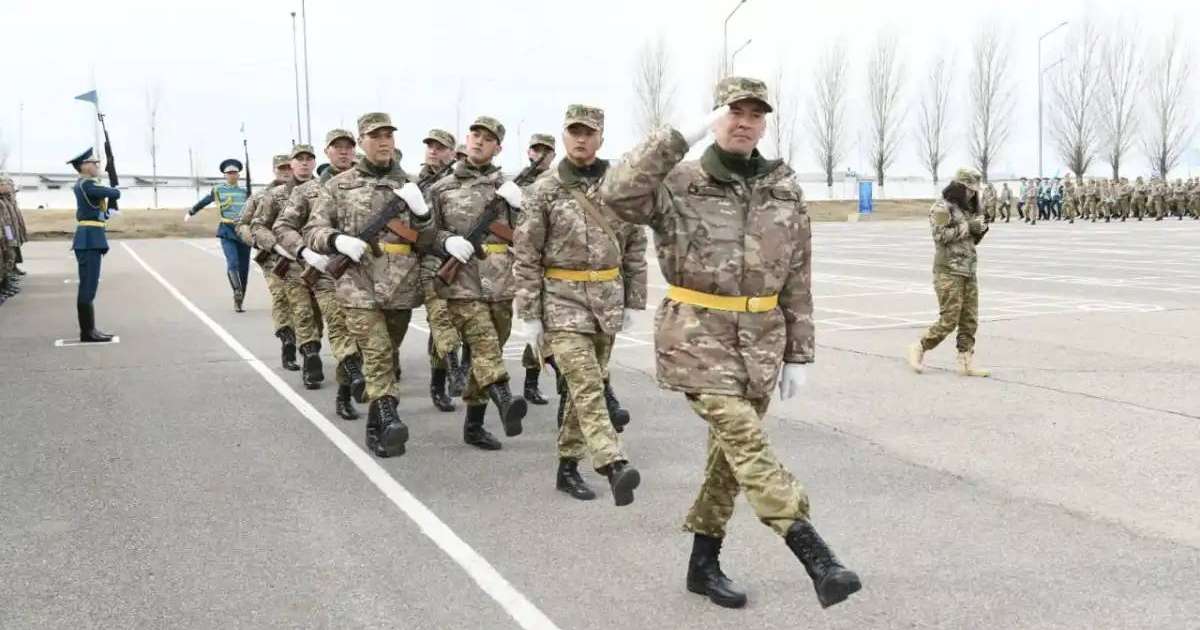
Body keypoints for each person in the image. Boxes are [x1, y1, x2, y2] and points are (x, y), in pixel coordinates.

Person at [601, 76, 861, 610]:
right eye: (733, 112)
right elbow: (617, 194)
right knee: (747, 443)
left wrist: (799, 352)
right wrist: (679, 136)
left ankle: (703, 564)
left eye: (755, 114)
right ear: (716, 118)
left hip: (762, 345)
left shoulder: (783, 187)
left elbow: (798, 275)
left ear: (764, 123)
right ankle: (812, 550)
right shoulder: (678, 180)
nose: (745, 122)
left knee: (728, 462)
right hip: (696, 338)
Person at [514, 104, 648, 505]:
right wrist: (530, 314)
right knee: (589, 384)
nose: (580, 138)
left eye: (588, 132)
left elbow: (635, 247)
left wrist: (634, 302)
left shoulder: (620, 185)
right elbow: (526, 254)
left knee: (578, 392)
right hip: (562, 302)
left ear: (601, 138)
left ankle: (566, 468)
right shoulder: (544, 190)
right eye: (573, 131)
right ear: (563, 136)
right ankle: (612, 462)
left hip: (606, 302)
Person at [304, 112, 440, 458]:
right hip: (357, 283)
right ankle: (390, 420)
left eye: (388, 136)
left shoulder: (410, 185)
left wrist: (422, 213)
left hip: (401, 285)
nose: (383, 142)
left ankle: (373, 427)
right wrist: (336, 241)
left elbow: (426, 241)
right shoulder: (337, 185)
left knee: (387, 357)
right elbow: (313, 230)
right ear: (362, 141)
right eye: (375, 136)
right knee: (378, 353)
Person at [428, 116, 530, 450]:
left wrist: (520, 207)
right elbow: (425, 233)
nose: (479, 141)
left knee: (488, 352)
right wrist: (445, 242)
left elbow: (529, 236)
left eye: (488, 138)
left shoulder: (510, 188)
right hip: (461, 282)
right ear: (466, 139)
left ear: (498, 147)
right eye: (475, 135)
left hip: (500, 281)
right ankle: (503, 395)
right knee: (484, 343)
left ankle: (473, 425)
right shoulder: (442, 188)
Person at [273, 129, 368, 421]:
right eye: (337, 147)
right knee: (339, 327)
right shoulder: (307, 191)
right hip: (326, 272)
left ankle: (343, 394)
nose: (344, 152)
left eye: (349, 147)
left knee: (363, 336)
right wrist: (305, 252)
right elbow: (282, 227)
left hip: (365, 276)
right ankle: (351, 375)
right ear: (326, 153)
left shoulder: (369, 186)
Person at [252, 145, 326, 389]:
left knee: (317, 314)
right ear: (291, 164)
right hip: (290, 263)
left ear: (315, 162)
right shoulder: (275, 195)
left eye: (309, 159)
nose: (304, 164)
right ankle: (310, 359)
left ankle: (311, 346)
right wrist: (276, 246)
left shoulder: (326, 190)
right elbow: (257, 226)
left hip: (321, 264)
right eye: (299, 160)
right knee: (301, 311)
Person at [907, 168, 991, 378]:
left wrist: (980, 230)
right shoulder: (942, 207)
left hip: (968, 270)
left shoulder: (968, 209)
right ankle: (919, 346)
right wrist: (968, 227)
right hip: (948, 271)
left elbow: (970, 241)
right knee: (949, 319)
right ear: (958, 187)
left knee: (969, 319)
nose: (972, 194)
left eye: (975, 191)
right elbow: (940, 236)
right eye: (969, 190)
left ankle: (965, 361)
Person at [416, 128, 465, 412]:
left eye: (440, 147)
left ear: (451, 152)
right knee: (440, 317)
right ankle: (454, 370)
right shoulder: (414, 182)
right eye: (430, 146)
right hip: (427, 261)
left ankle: (438, 381)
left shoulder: (459, 183)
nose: (433, 151)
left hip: (458, 260)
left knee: (444, 325)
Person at [238, 155, 300, 370]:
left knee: (302, 302)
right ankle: (288, 341)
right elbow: (243, 224)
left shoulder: (305, 192)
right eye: (281, 168)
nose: (285, 172)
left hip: (300, 256)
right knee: (280, 295)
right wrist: (258, 241)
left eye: (287, 167)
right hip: (273, 258)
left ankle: (307, 342)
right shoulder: (261, 196)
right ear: (274, 169)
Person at [186, 158, 252, 311]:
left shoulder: (245, 192)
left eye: (234, 172)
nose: (232, 175)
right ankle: (236, 291)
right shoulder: (218, 190)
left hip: (243, 231)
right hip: (227, 231)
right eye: (229, 173)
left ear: (239, 175)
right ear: (224, 175)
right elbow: (205, 201)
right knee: (233, 262)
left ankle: (240, 299)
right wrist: (191, 212)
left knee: (244, 268)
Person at [68, 148, 120, 342]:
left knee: (89, 286)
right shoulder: (87, 184)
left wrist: (109, 211)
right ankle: (87, 332)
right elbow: (113, 192)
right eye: (94, 163)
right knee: (88, 287)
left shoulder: (88, 184)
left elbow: (99, 208)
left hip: (91, 237)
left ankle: (90, 329)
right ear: (83, 166)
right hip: (89, 239)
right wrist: (115, 186)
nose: (97, 166)